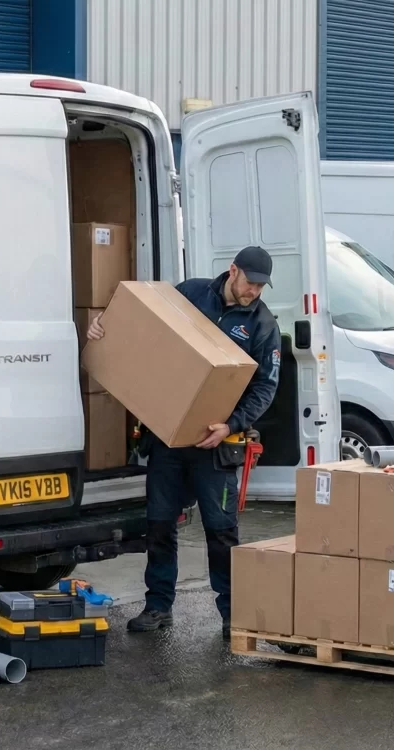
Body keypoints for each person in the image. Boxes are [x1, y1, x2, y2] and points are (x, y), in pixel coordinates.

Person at [86, 246, 282, 639]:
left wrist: (230, 425)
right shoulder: (191, 294)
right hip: (168, 437)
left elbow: (265, 387)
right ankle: (158, 607)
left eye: (261, 286)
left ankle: (231, 615)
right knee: (159, 524)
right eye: (250, 283)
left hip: (217, 444)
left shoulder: (262, 325)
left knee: (221, 530)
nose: (254, 292)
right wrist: (103, 328)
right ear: (233, 271)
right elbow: (149, 326)